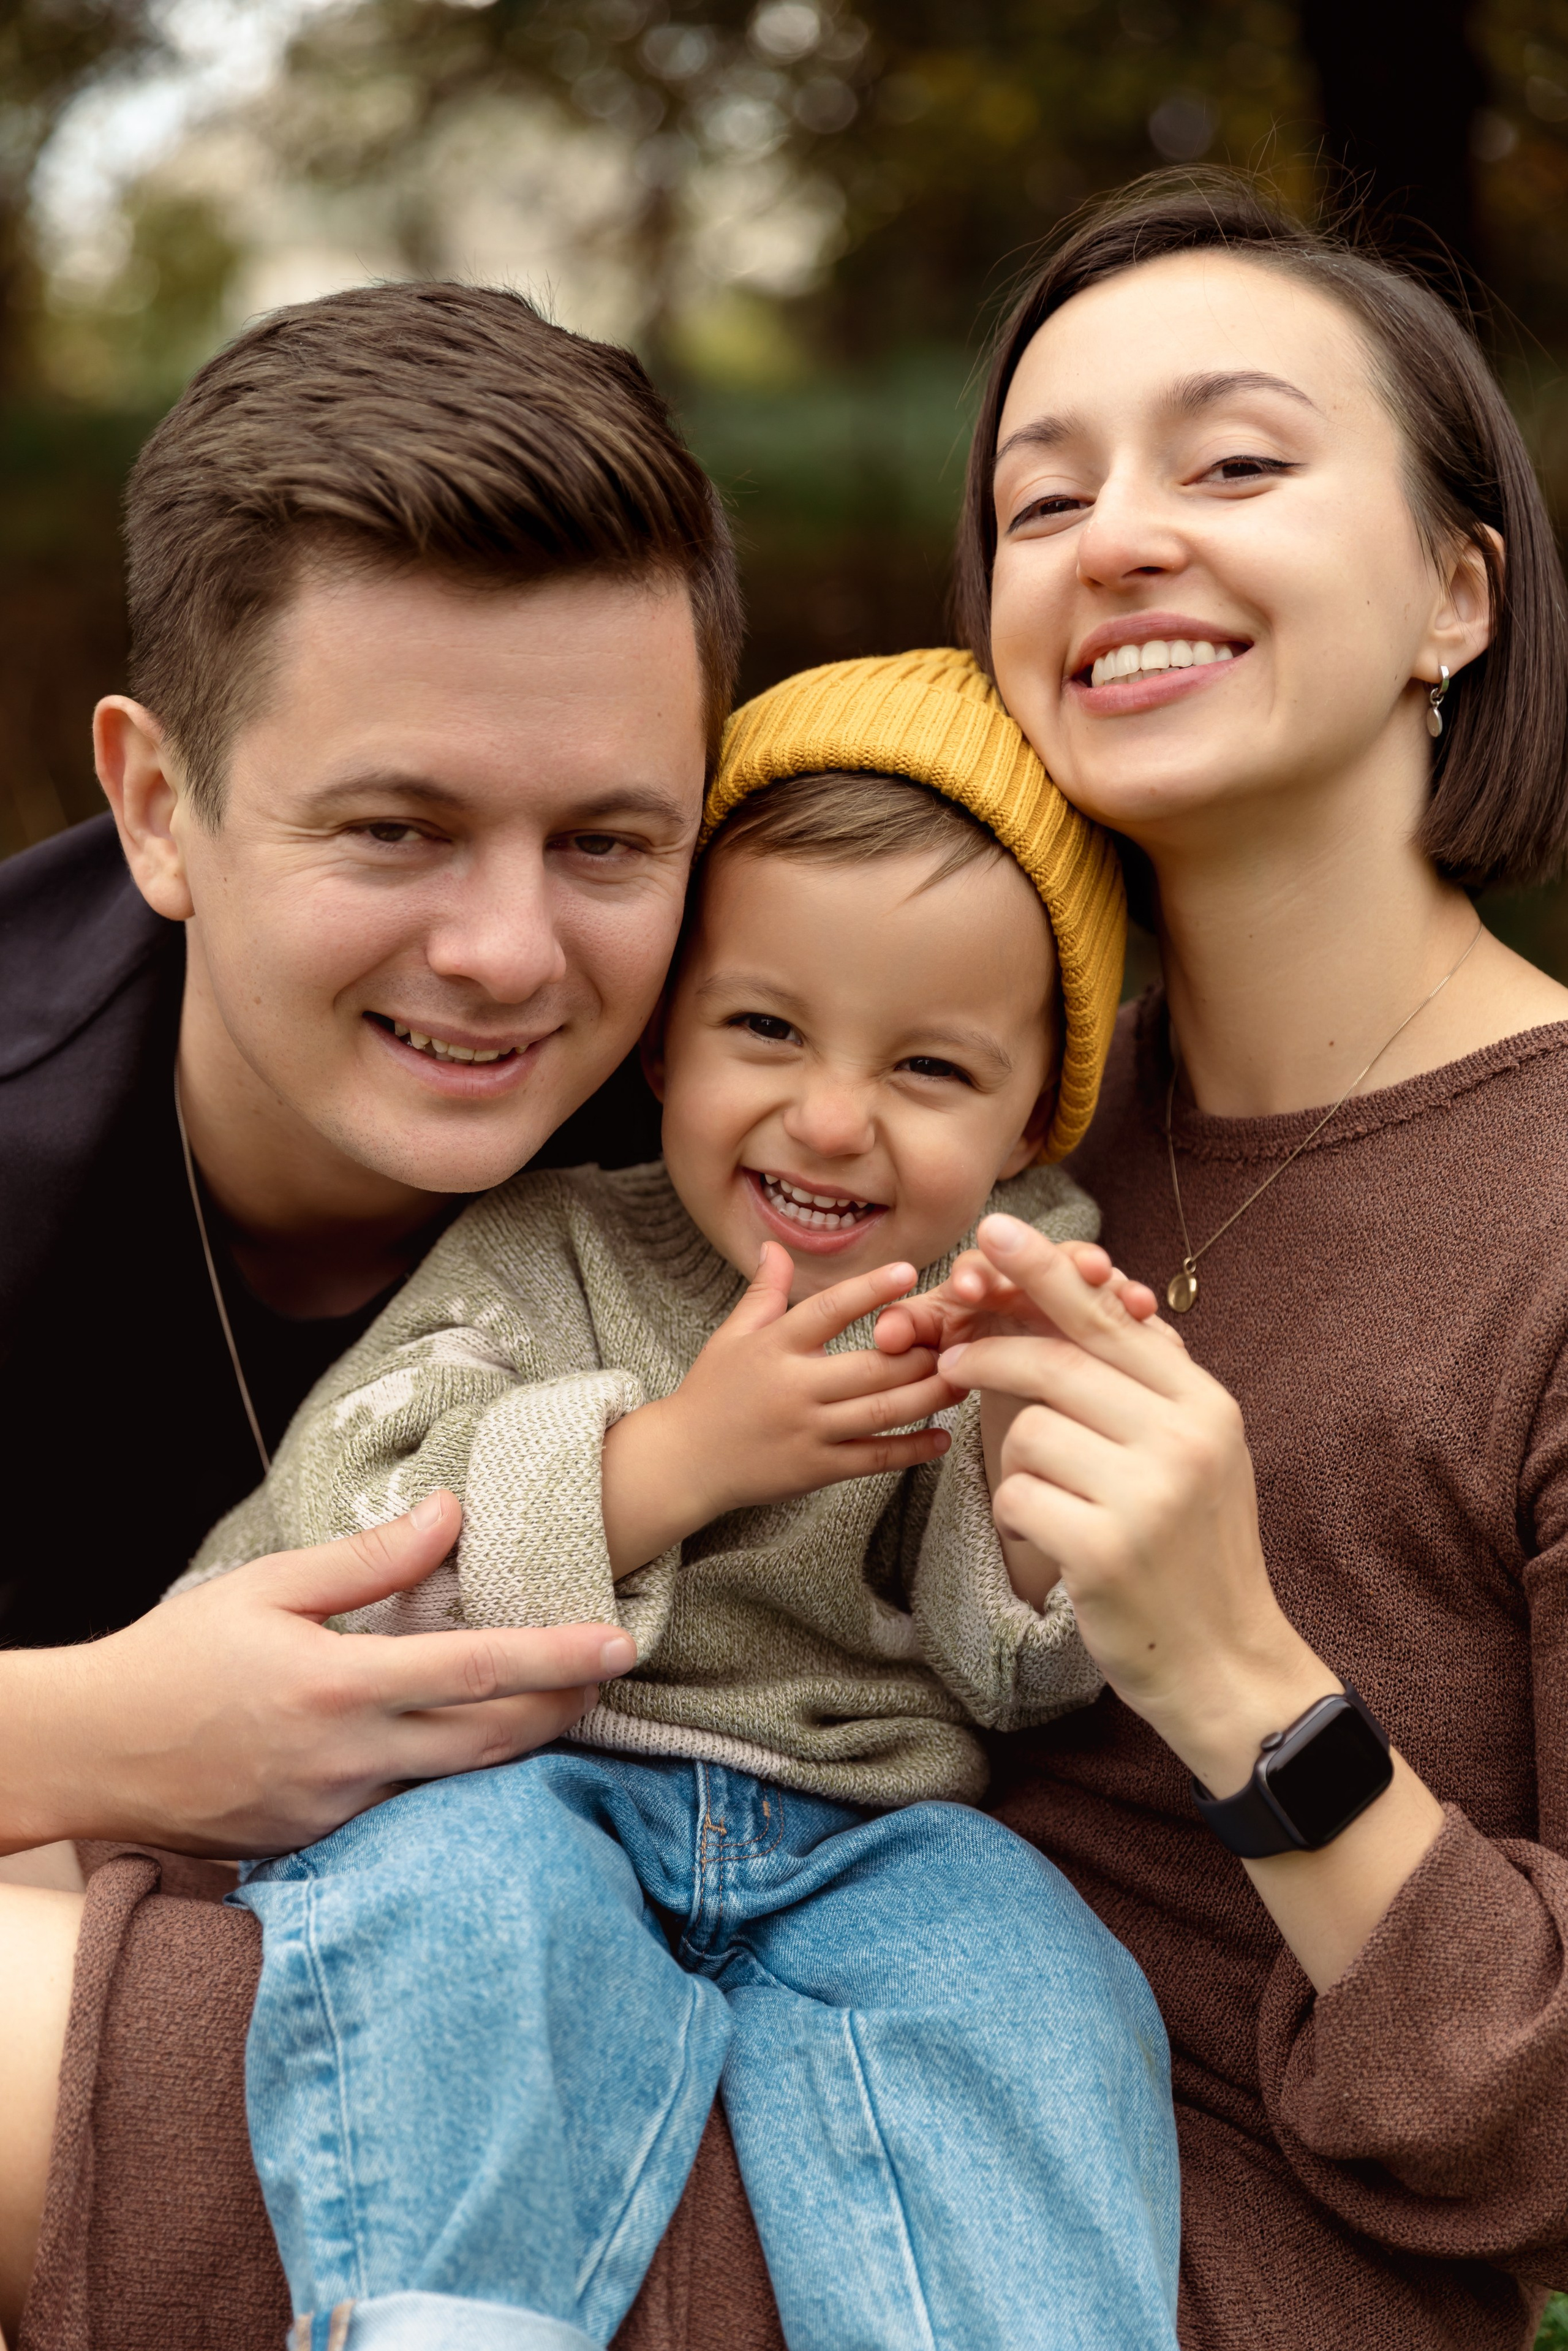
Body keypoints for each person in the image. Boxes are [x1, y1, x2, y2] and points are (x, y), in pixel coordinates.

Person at [12, 167, 1568, 2351]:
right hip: (541, 1962)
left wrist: (1232, 1670)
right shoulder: (920, 1107)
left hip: (1072, 2167)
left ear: (1456, 590)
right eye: (1042, 498)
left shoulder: (1487, 1197)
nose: (1119, 533)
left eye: (1233, 460)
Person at [179, 649, 1177, 2350]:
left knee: (1032, 1980)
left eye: (932, 1070)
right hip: (527, 1783)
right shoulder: (545, 1248)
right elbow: (339, 1544)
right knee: (462, 1919)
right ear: (663, 1042)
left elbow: (1018, 1674)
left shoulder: (1012, 1289)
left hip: (871, 1835)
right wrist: (673, 1464)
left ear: (1029, 1120)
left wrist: (1031, 1461)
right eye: (767, 1028)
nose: (833, 1116)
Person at [0, 276, 742, 2344]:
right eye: (397, 829)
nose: (510, 952)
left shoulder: (782, 1107)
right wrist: (101, 1728)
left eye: (608, 840)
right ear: (162, 810)